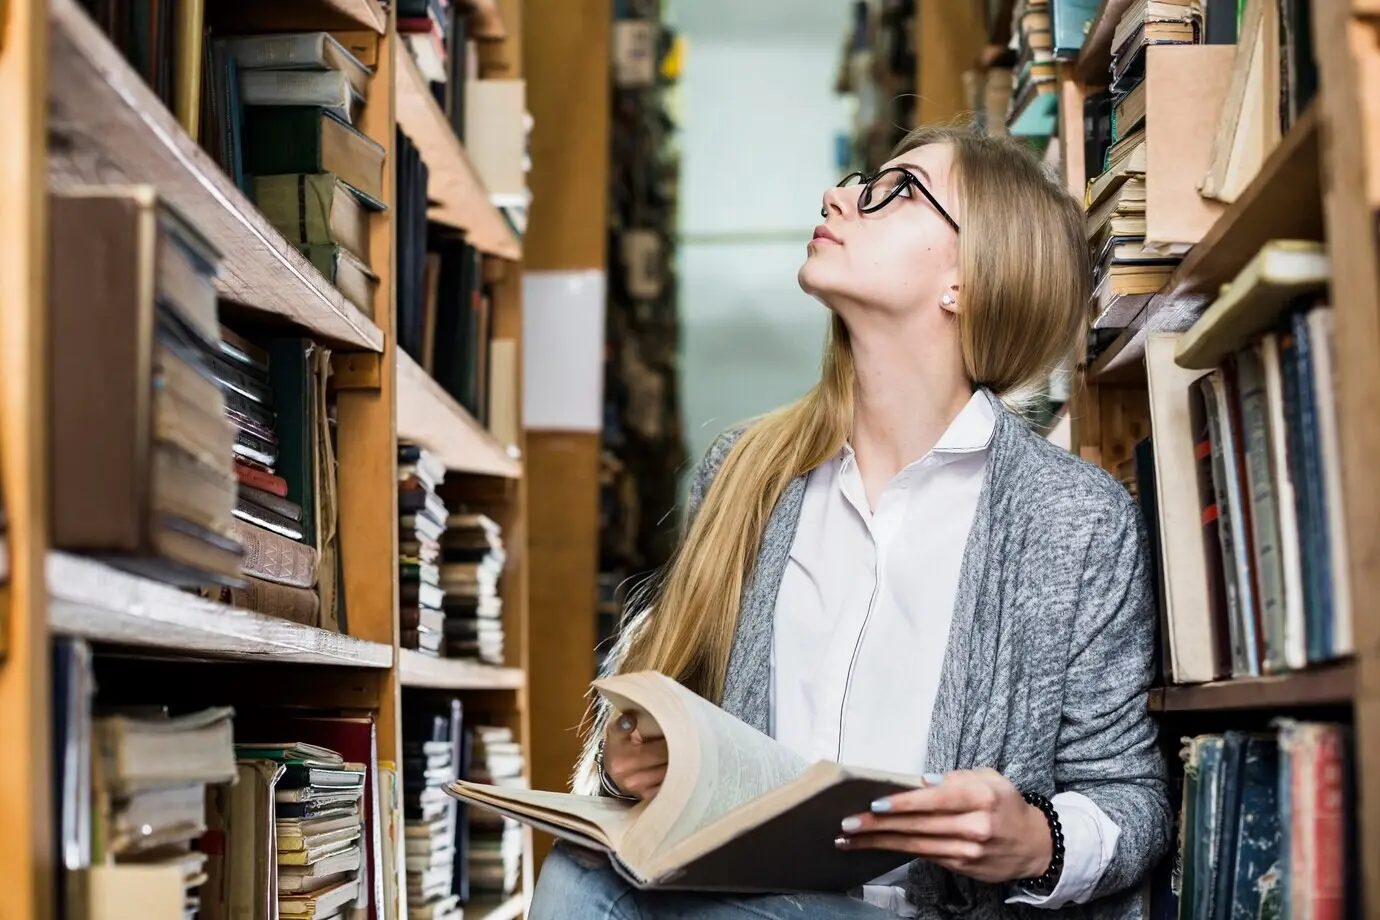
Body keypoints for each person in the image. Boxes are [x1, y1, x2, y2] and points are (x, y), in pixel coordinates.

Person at [527, 123, 1171, 920]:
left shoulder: (1074, 520)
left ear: (969, 279)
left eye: (895, 192)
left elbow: (1130, 796)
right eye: (860, 183)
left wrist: (1039, 841)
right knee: (580, 872)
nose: (837, 196)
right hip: (753, 900)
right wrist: (638, 763)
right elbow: (677, 712)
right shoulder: (745, 471)